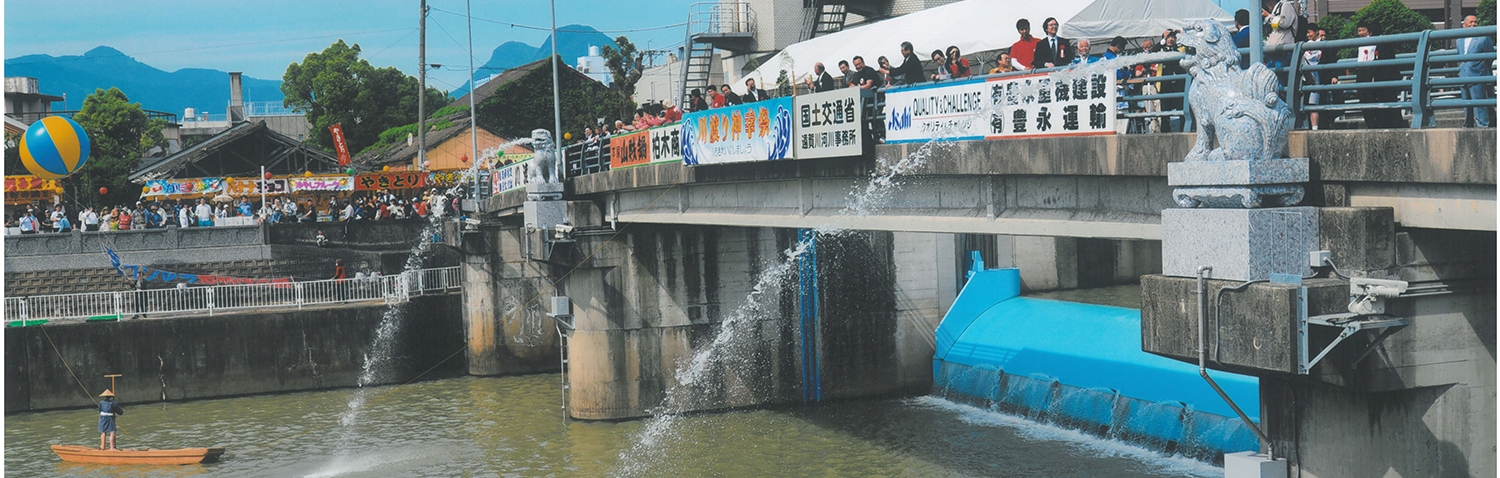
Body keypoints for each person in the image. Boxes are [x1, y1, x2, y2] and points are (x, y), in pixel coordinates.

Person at [1355, 21, 1406, 129]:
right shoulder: (1378, 42)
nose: (1362, 33)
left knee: (1379, 102)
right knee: (1384, 103)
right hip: (1381, 78)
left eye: (1364, 30)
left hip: (1379, 78)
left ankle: (1379, 124)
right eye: (1359, 30)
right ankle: (1387, 124)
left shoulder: (1378, 43)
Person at [1458, 15, 1494, 128]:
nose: (1473, 24)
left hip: (1478, 73)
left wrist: (1481, 68)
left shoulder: (1483, 38)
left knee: (1479, 103)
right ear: (1464, 25)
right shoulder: (1459, 40)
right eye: (1471, 22)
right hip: (1463, 74)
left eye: (1475, 22)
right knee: (1466, 103)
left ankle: (1483, 126)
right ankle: (1468, 126)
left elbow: (1490, 55)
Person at [1264, 0, 1300, 70]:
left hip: (1284, 51)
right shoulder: (1273, 11)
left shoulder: (1285, 5)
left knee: (1281, 74)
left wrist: (1268, 16)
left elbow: (1284, 23)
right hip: (1272, 52)